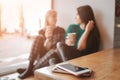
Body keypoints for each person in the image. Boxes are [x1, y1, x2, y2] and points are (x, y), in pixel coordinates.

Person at [17, 10, 65, 79]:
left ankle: (30, 70)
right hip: (42, 56)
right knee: (38, 38)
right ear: (47, 18)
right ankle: (30, 67)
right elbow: (45, 49)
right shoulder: (42, 31)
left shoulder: (61, 30)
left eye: (56, 16)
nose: (56, 18)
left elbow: (61, 47)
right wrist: (48, 39)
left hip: (53, 55)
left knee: (52, 51)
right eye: (53, 16)